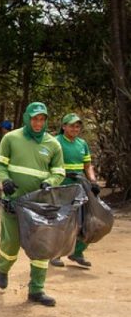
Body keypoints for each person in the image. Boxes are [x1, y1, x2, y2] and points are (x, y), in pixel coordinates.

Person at [0, 102, 65, 306]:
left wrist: (50, 182)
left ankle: (36, 290)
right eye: (34, 118)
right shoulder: (11, 138)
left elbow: (59, 171)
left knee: (41, 247)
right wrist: (4, 179)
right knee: (11, 243)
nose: (38, 123)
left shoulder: (53, 144)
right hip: (13, 203)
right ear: (27, 118)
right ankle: (3, 267)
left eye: (42, 119)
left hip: (39, 205)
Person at [50, 113, 101, 268]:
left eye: (77, 126)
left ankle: (77, 252)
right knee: (63, 221)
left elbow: (87, 165)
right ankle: (55, 254)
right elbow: (48, 164)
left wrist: (93, 181)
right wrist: (61, 174)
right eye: (71, 125)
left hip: (80, 186)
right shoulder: (55, 142)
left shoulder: (82, 144)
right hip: (61, 186)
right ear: (63, 126)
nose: (75, 128)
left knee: (85, 221)